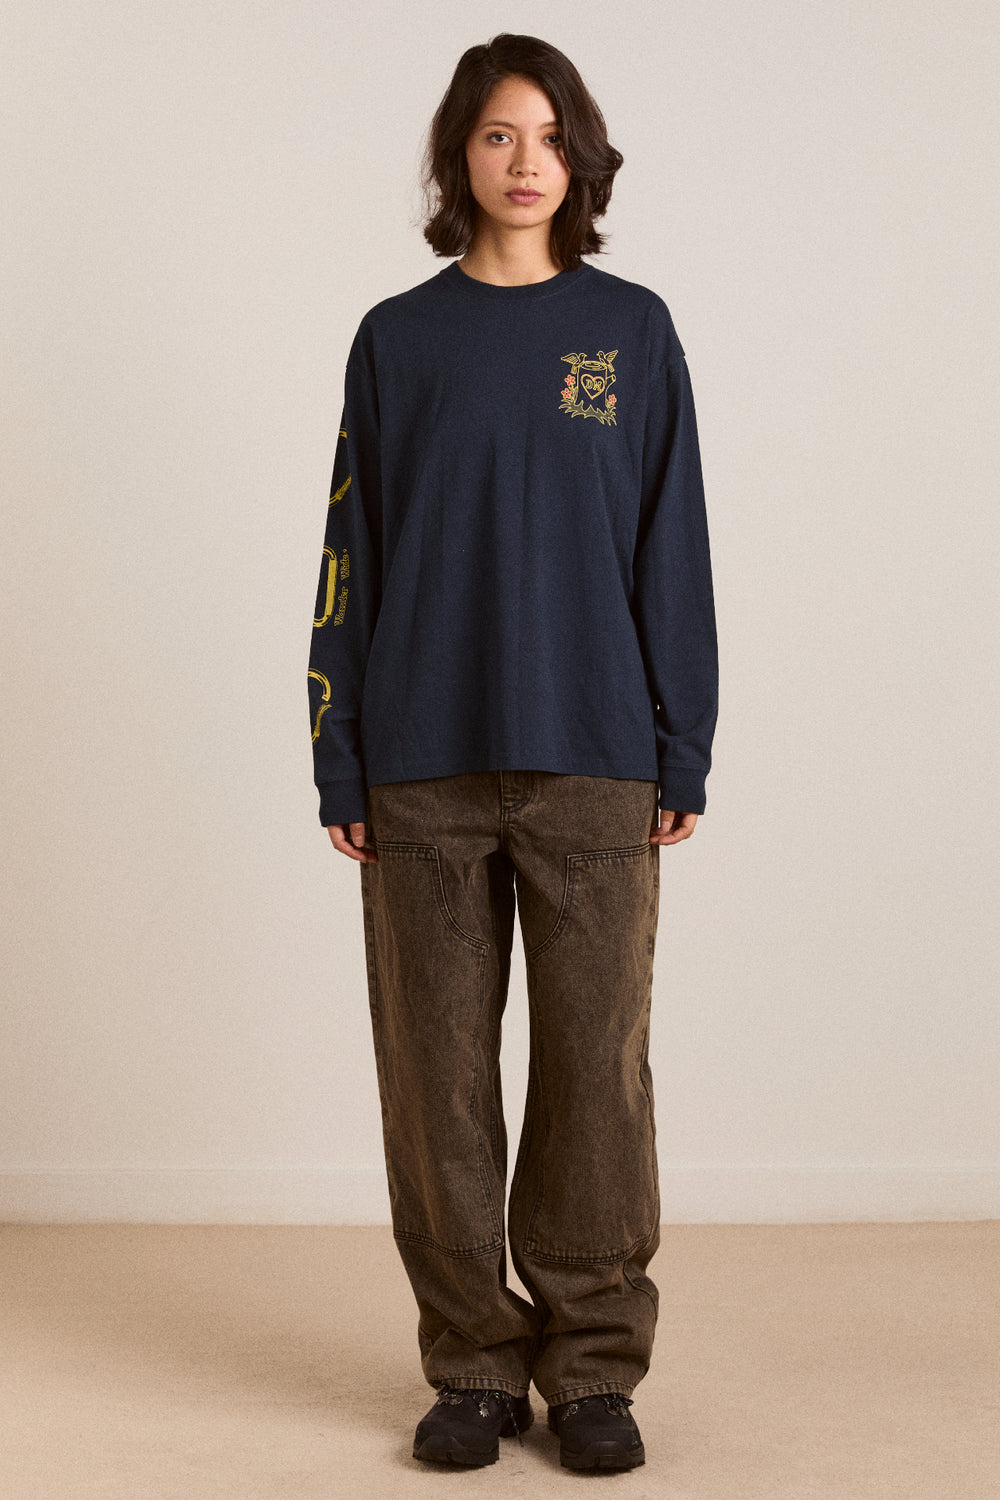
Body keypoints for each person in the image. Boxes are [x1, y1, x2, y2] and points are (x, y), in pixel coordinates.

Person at [307, 32, 718, 1473]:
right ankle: (473, 1360)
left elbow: (673, 548)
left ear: (581, 157)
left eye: (548, 135)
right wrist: (340, 754)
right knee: (435, 1081)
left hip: (597, 757)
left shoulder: (632, 332)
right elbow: (350, 554)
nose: (525, 159)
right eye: (496, 134)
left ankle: (593, 1367)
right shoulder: (396, 340)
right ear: (459, 157)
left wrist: (681, 743)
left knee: (596, 1077)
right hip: (421, 765)